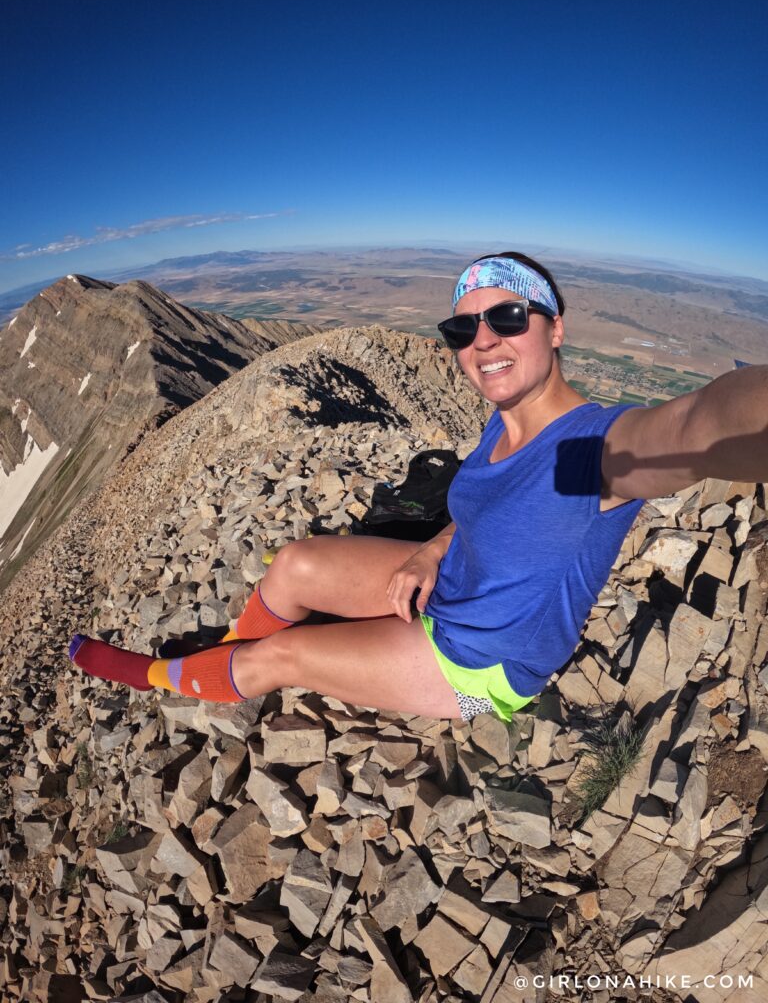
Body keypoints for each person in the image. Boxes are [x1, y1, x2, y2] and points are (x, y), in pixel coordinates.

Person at [69, 253, 768, 724]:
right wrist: (432, 549)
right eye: (464, 328)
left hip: (479, 668)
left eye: (509, 319)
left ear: (556, 329)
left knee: (276, 657)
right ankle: (222, 647)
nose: (484, 340)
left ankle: (175, 678)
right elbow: (482, 508)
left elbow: (698, 423)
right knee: (295, 565)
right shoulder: (503, 427)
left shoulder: (595, 451)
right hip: (447, 585)